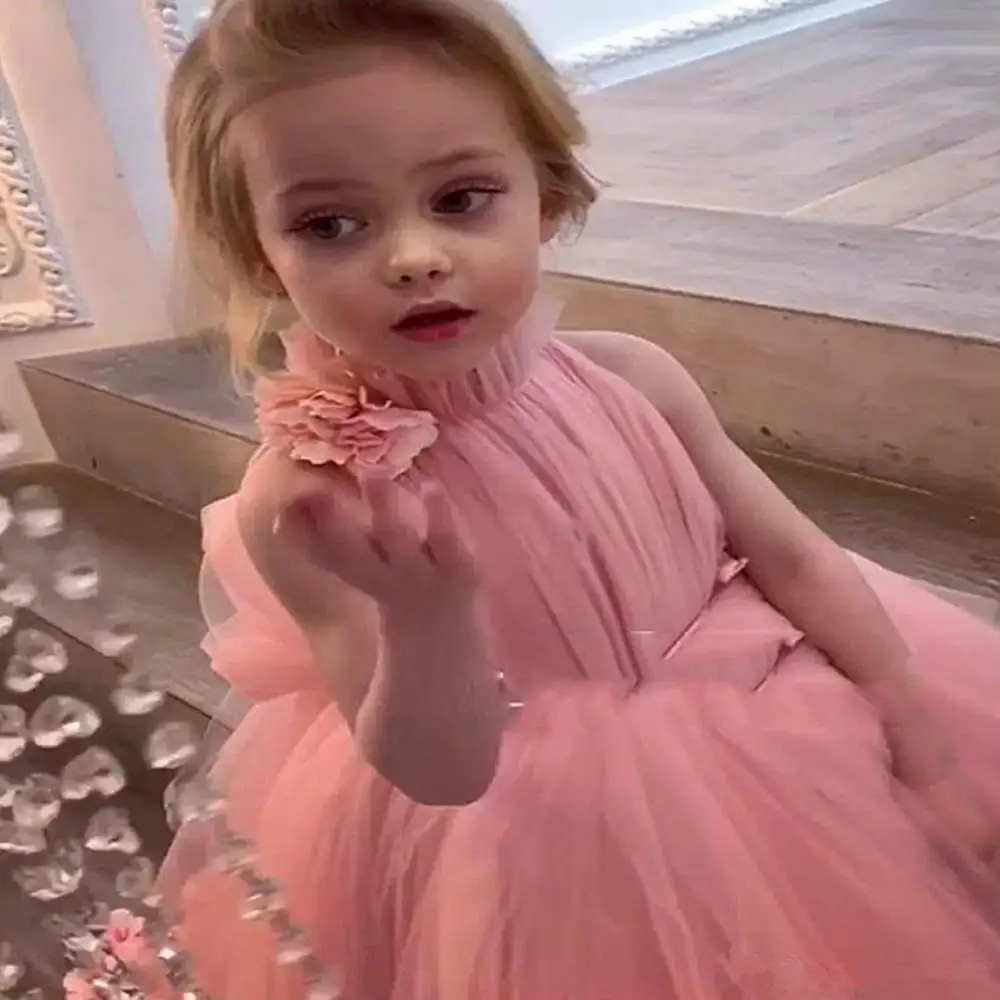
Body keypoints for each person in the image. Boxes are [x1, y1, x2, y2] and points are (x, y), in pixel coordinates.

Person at [151, 0, 1000, 997]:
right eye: (330, 224)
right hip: (546, 848)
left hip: (789, 737)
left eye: (462, 198)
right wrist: (428, 625)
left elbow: (798, 557)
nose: (414, 256)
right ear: (262, 256)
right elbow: (441, 776)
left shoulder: (631, 377)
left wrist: (915, 728)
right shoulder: (310, 501)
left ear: (544, 195)